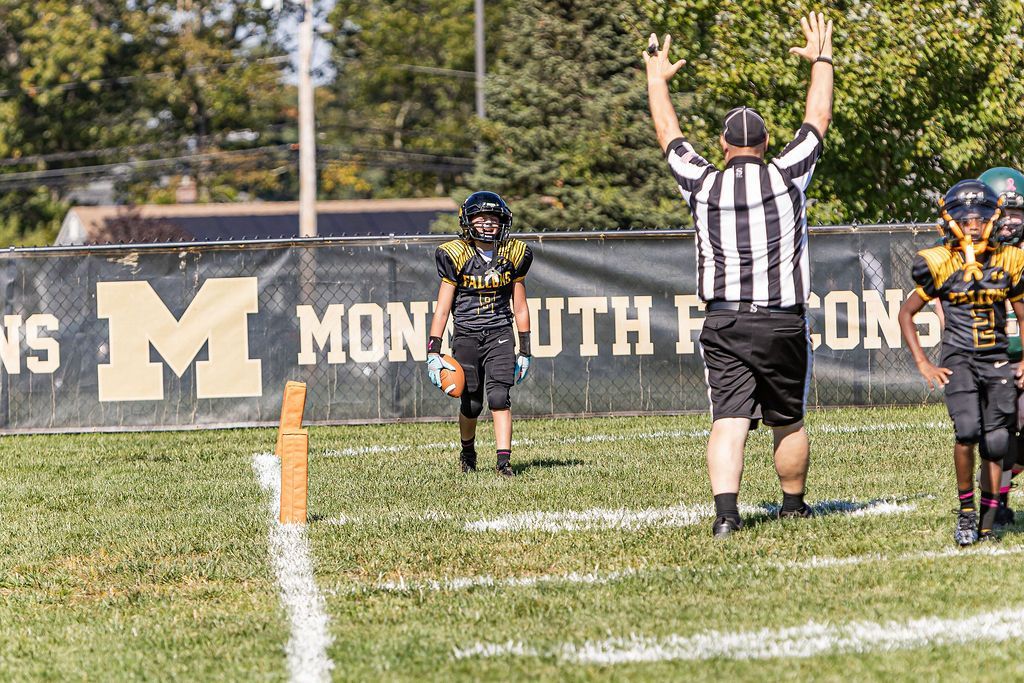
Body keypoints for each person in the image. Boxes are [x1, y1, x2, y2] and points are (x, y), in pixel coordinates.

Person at [644, 12, 834, 537]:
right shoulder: (787, 176)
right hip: (781, 319)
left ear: (725, 146)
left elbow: (668, 134)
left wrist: (656, 80)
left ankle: (727, 517)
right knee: (787, 418)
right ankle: (792, 506)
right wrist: (822, 58)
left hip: (724, 320)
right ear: (768, 143)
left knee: (728, 420)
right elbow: (818, 117)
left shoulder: (703, 185)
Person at [897, 179, 1024, 545]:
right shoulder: (938, 261)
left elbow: (1021, 310)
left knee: (997, 443)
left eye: (980, 217)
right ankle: (966, 511)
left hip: (996, 357)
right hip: (959, 358)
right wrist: (923, 362)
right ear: (950, 221)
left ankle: (987, 520)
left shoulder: (1009, 259)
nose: (973, 224)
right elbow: (908, 312)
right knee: (968, 431)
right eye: (965, 218)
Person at [426, 191, 533, 476]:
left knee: (499, 397)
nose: (488, 223)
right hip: (466, 335)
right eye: (482, 218)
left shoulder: (513, 254)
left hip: (500, 332)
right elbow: (442, 308)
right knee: (471, 403)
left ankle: (503, 462)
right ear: (468, 222)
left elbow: (520, 306)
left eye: (494, 218)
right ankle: (468, 452)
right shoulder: (455, 254)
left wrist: (525, 349)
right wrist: (433, 351)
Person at [978, 167, 1024, 525]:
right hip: (990, 359)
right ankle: (997, 504)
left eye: (1017, 213)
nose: (1009, 223)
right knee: (997, 436)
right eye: (1002, 214)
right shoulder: (971, 255)